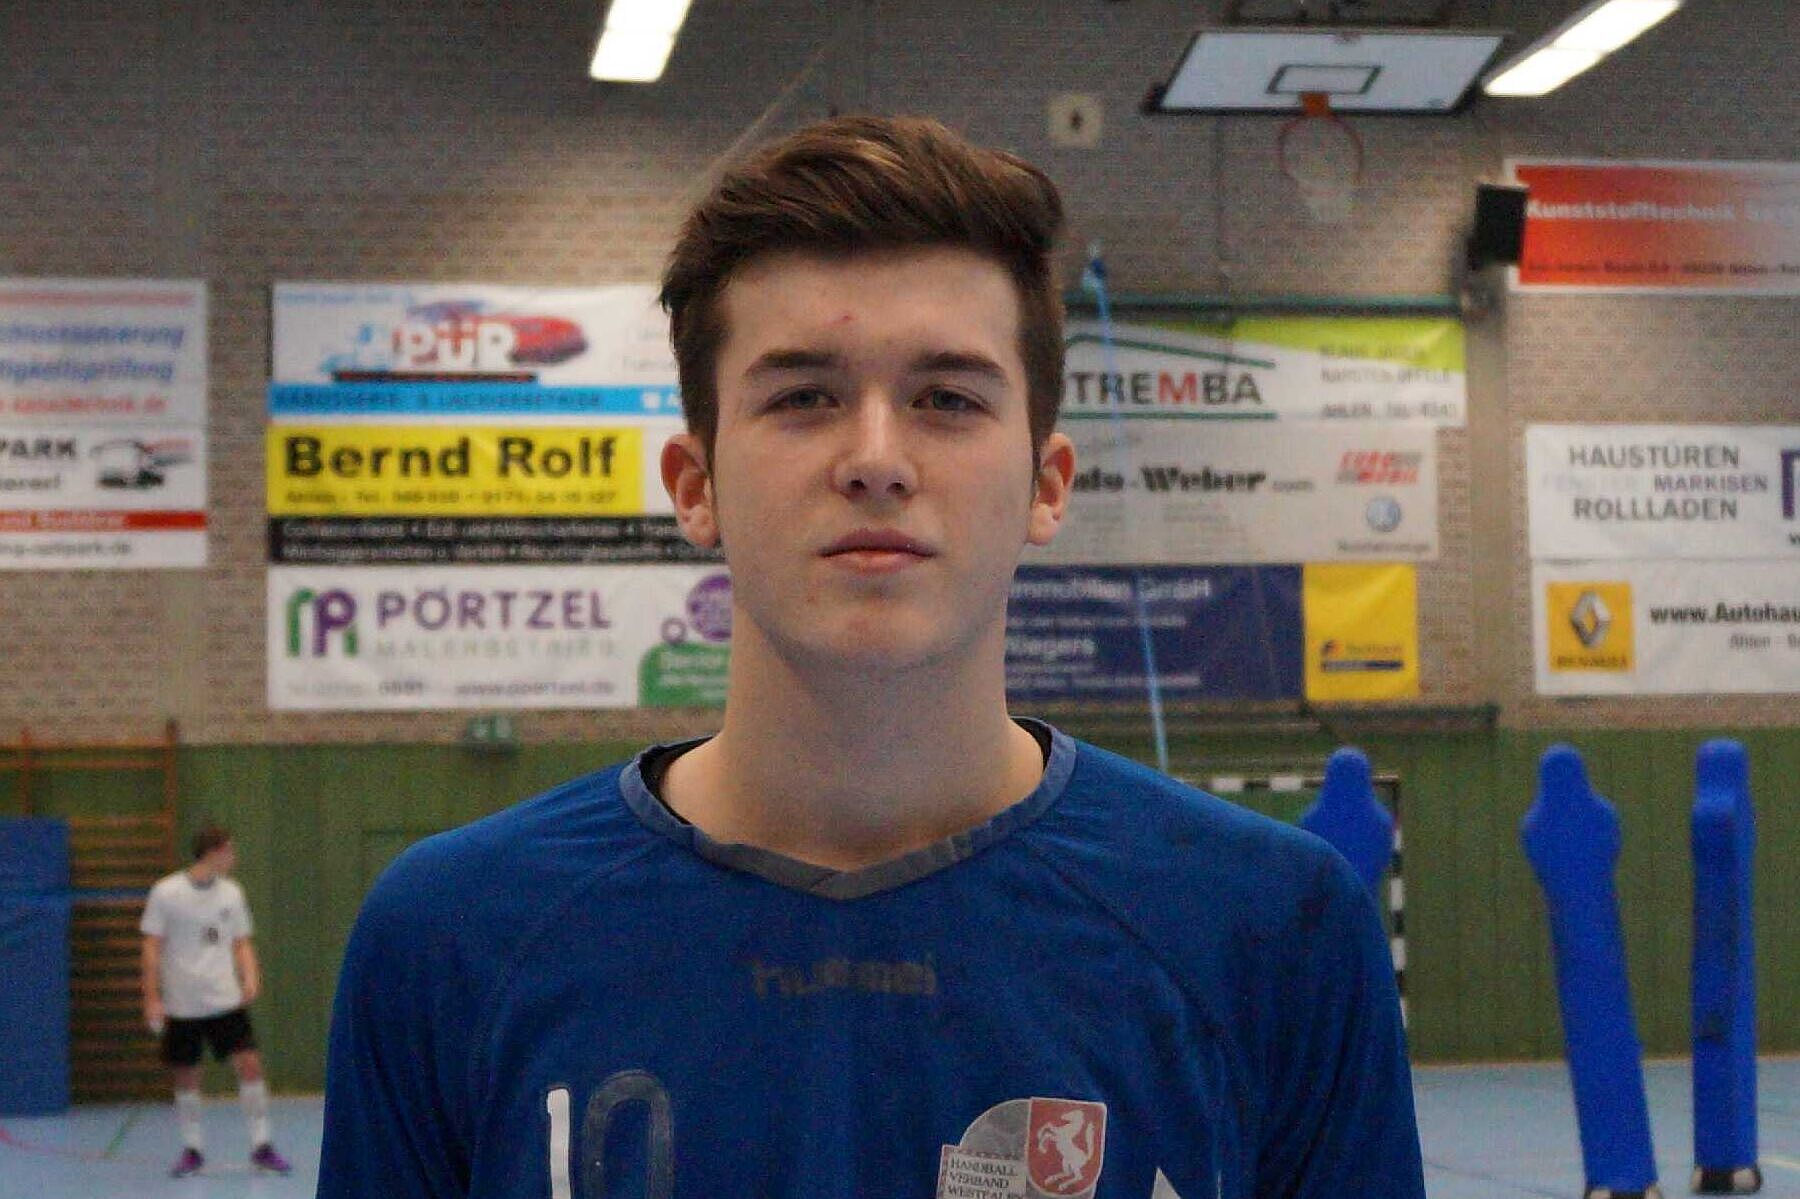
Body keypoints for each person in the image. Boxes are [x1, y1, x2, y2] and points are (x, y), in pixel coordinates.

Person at [318, 114, 1422, 1198]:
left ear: (1046, 485)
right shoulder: (453, 938)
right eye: (804, 396)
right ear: (695, 487)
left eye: (947, 398)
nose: (876, 458)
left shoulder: (1273, 931)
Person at [140, 824, 292, 1177]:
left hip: (225, 1000)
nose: (234, 858)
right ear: (213, 853)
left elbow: (241, 942)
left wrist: (250, 976)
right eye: (229, 851)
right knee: (187, 1076)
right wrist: (152, 997)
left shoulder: (232, 894)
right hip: (183, 1004)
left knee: (250, 1064)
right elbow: (151, 946)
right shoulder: (166, 892)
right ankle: (192, 1148)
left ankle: (262, 1145)